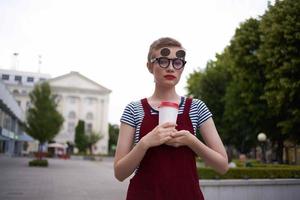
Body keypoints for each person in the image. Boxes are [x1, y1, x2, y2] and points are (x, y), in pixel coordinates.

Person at [114, 37, 228, 200]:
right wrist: (145, 143)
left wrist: (191, 141)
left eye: (177, 62)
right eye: (163, 61)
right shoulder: (134, 109)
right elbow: (119, 173)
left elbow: (222, 166)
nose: (170, 68)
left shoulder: (197, 107)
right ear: (149, 66)